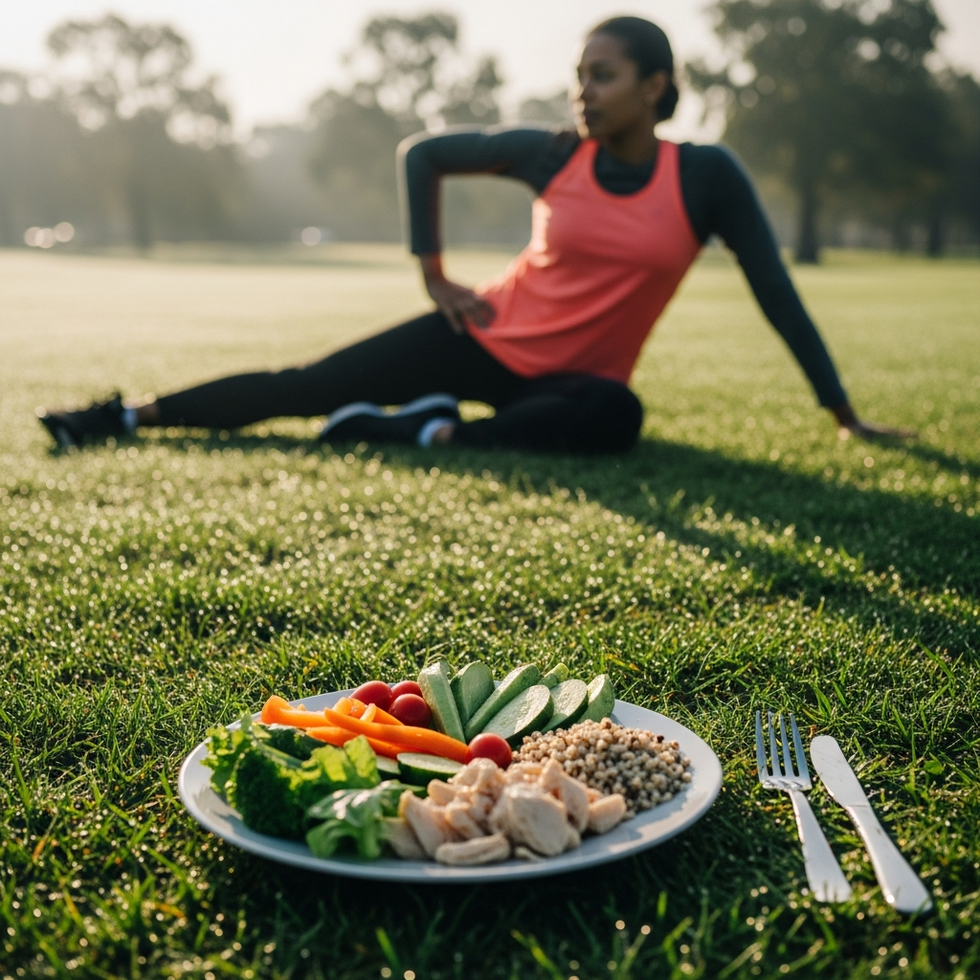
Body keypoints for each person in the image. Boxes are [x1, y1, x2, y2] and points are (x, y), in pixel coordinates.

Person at [38, 16, 906, 453]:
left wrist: (844, 415)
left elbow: (775, 292)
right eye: (579, 77)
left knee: (620, 416)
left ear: (656, 86)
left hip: (574, 384)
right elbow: (425, 155)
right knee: (305, 384)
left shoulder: (706, 176)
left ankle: (429, 432)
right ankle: (121, 414)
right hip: (483, 337)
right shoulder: (551, 155)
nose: (584, 92)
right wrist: (434, 273)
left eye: (603, 77)